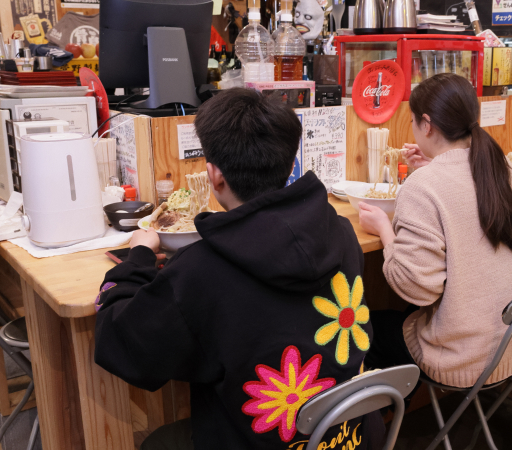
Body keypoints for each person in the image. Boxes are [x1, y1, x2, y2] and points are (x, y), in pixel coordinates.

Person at [93, 88, 380, 450]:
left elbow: (122, 345)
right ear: (291, 163)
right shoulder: (339, 231)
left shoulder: (201, 269)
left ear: (214, 176)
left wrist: (138, 259)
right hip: (350, 437)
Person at [359, 73, 512, 392]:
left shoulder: (424, 187)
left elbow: (418, 290)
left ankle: (387, 429)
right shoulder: (500, 167)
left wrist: (385, 232)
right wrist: (430, 167)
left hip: (468, 357)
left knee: (368, 329)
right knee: (406, 317)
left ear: (427, 124)